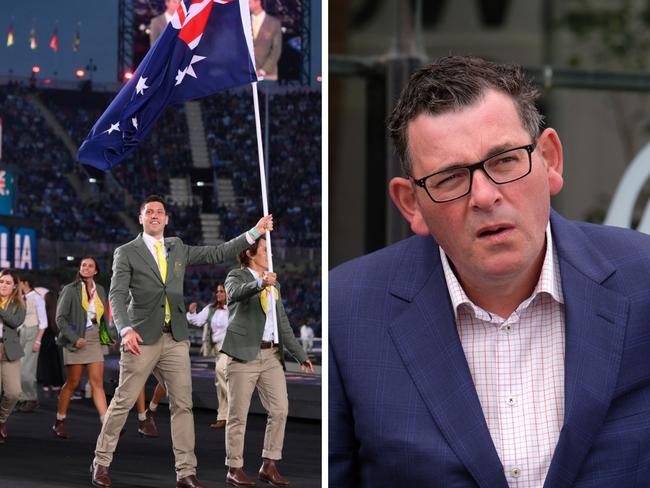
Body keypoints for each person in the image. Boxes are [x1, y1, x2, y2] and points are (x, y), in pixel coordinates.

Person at [329, 55, 650, 487]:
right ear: (411, 205)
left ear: (550, 161)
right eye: (449, 178)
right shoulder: (345, 313)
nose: (484, 196)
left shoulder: (642, 280)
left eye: (504, 161)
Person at [91, 194, 273, 488]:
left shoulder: (177, 247)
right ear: (141, 219)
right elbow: (116, 295)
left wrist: (255, 231)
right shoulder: (126, 252)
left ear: (166, 219)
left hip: (175, 338)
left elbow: (218, 252)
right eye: (148, 211)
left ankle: (186, 472)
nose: (154, 215)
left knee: (183, 406)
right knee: (123, 401)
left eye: (159, 212)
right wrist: (124, 330)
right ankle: (101, 461)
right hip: (141, 338)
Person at [221, 237, 313, 487]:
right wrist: (260, 282)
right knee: (238, 415)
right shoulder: (236, 277)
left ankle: (269, 464)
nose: (269, 253)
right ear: (250, 254)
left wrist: (300, 355)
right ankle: (234, 467)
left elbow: (282, 324)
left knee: (280, 408)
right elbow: (235, 295)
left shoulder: (275, 284)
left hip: (271, 355)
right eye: (264, 249)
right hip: (242, 355)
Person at [53, 257, 110, 439]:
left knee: (97, 383)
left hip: (93, 340)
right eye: (83, 265)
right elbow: (60, 318)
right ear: (79, 269)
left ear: (96, 271)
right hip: (76, 338)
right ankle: (60, 421)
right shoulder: (70, 289)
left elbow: (101, 318)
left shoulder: (100, 289)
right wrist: (73, 337)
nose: (86, 268)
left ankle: (107, 423)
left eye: (90, 265)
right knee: (73, 383)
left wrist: (108, 337)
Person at [187, 282, 229, 429]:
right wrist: (192, 312)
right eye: (217, 291)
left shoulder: (235, 309)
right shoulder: (211, 309)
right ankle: (223, 417)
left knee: (220, 371)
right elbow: (197, 321)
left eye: (222, 292)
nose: (218, 294)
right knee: (220, 381)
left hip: (229, 347)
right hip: (217, 348)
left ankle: (235, 410)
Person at [0, 269, 26, 444]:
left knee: (14, 392)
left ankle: (1, 420)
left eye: (8, 283)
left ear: (15, 286)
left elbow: (15, 321)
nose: (3, 285)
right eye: (1, 281)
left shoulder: (19, 304)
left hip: (9, 350)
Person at [16, 275, 48, 412]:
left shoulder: (37, 298)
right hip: (21, 333)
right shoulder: (23, 297)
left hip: (32, 333)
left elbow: (43, 322)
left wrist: (37, 340)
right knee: (18, 368)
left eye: (19, 283)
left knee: (26, 369)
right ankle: (23, 398)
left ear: (25, 283)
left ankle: (32, 399)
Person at [37, 289, 64, 392]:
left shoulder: (44, 312)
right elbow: (56, 328)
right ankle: (56, 384)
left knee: (45, 363)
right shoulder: (55, 312)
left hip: (43, 339)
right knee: (55, 363)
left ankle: (46, 383)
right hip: (53, 340)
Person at [249, 0, 282, 81]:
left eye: (249, 2)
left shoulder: (274, 23)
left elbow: (276, 50)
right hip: (247, 74)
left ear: (258, 2)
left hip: (268, 75)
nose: (247, 5)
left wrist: (263, 70)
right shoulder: (244, 22)